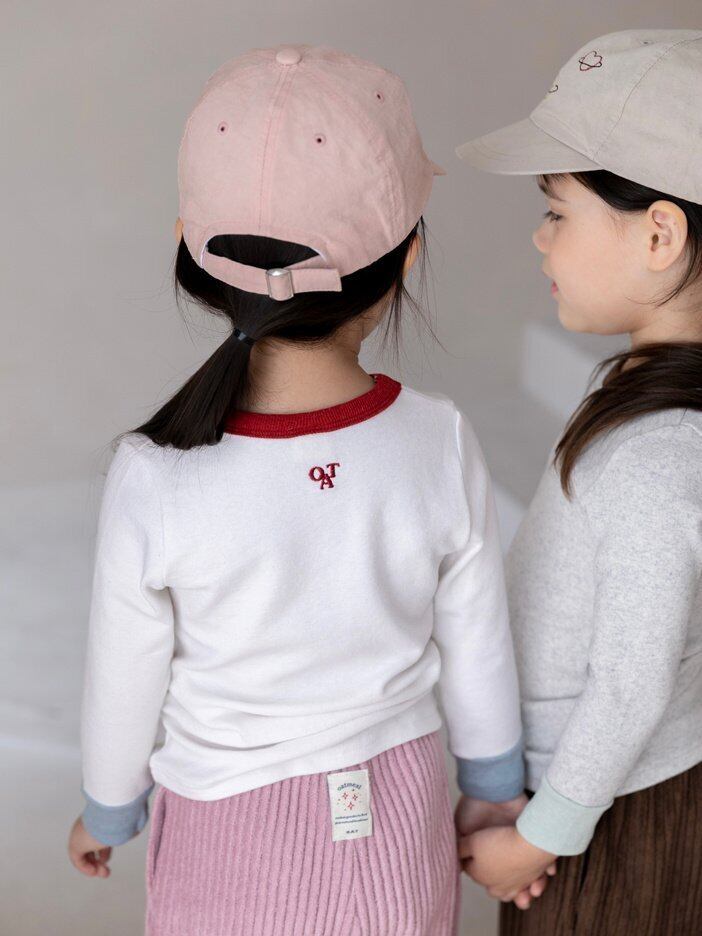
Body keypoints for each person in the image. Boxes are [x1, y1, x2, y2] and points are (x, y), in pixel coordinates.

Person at [66, 44, 540, 935]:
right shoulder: (436, 437)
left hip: (224, 837)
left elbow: (124, 669)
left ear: (191, 250)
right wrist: (492, 788)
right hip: (398, 823)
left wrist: (110, 810)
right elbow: (478, 635)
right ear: (406, 258)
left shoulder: (155, 471)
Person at [455, 28, 702, 934]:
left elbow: (633, 682)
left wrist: (542, 836)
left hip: (610, 818)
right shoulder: (644, 397)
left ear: (659, 233)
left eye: (557, 211)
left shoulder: (655, 453)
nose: (539, 236)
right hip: (602, 796)